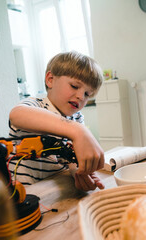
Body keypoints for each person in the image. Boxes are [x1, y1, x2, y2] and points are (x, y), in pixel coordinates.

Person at [8, 51, 105, 191]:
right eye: (74, 86)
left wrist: (78, 171)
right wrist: (78, 130)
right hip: (24, 190)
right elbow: (16, 115)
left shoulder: (76, 118)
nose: (80, 96)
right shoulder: (36, 105)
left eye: (87, 94)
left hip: (54, 188)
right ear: (50, 79)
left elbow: (71, 157)